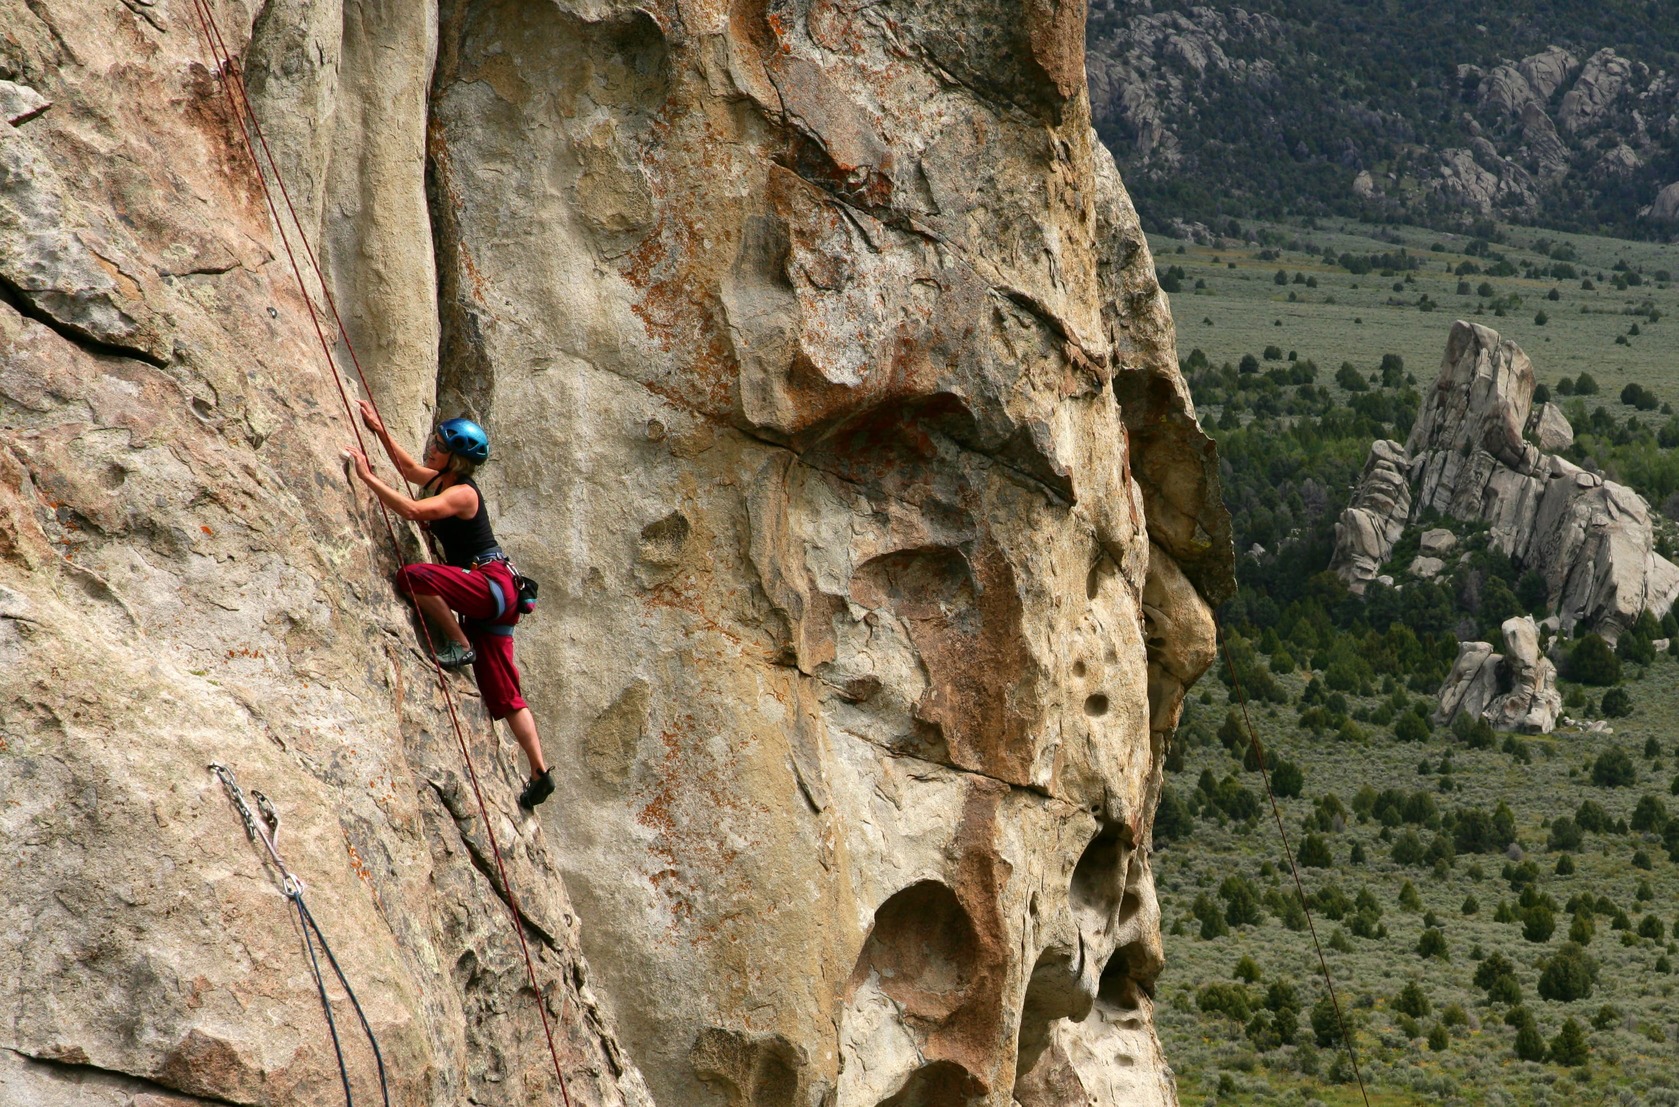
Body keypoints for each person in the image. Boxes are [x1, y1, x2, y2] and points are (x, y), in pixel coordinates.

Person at [343, 400, 554, 809]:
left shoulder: (460, 494)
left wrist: (367, 477)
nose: (431, 449)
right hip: (498, 594)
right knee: (505, 694)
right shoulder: (443, 480)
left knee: (412, 577)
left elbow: (410, 509)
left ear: (455, 458)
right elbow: (408, 472)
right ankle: (540, 773)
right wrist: (379, 430)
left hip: (489, 586)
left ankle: (460, 643)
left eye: (438, 446)